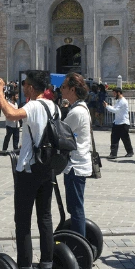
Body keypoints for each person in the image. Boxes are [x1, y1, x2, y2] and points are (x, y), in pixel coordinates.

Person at [0, 72, 60, 269]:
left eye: (25, 84)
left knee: (23, 221)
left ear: (31, 87)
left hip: (29, 169)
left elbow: (10, 114)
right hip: (48, 168)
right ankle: (48, 267)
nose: (22, 87)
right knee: (45, 218)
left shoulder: (33, 106)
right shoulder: (53, 107)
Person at [53, 73, 95, 238]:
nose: (60, 89)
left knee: (75, 209)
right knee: (76, 207)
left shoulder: (77, 112)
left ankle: (80, 245)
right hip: (77, 165)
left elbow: (59, 134)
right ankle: (79, 239)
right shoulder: (80, 108)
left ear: (72, 89)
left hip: (75, 167)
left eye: (63, 87)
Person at [107, 88, 133, 159]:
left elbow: (116, 110)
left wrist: (107, 106)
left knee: (125, 139)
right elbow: (114, 108)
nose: (114, 95)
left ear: (118, 93)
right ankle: (113, 154)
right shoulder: (118, 101)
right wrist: (108, 106)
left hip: (123, 123)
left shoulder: (123, 101)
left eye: (114, 93)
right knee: (114, 138)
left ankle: (130, 151)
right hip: (117, 122)